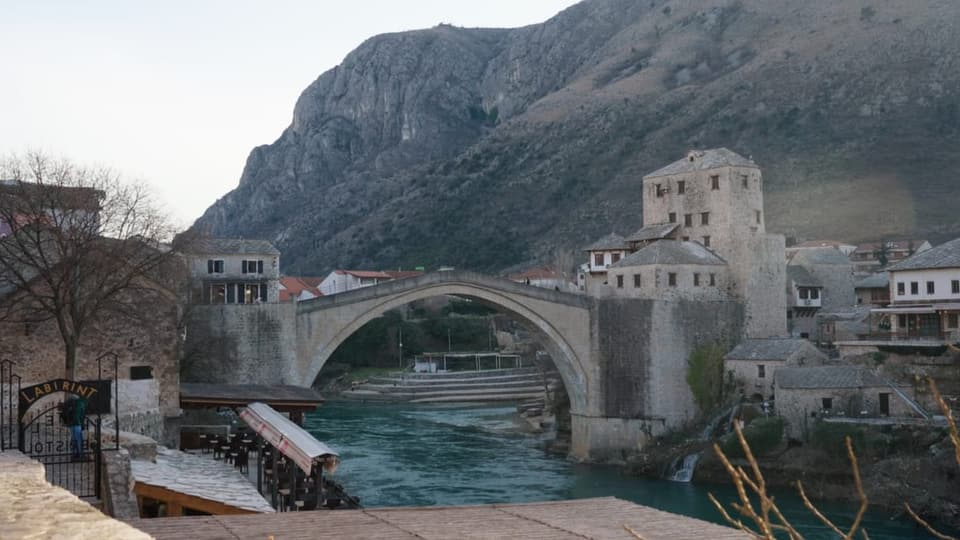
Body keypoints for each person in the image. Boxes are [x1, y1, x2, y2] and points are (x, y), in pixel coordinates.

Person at [64, 396, 87, 460]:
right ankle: (80, 454)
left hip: (71, 423)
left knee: (74, 439)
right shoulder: (81, 404)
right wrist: (82, 424)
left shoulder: (71, 403)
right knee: (78, 439)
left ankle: (74, 454)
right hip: (77, 423)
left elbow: (68, 413)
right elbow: (81, 415)